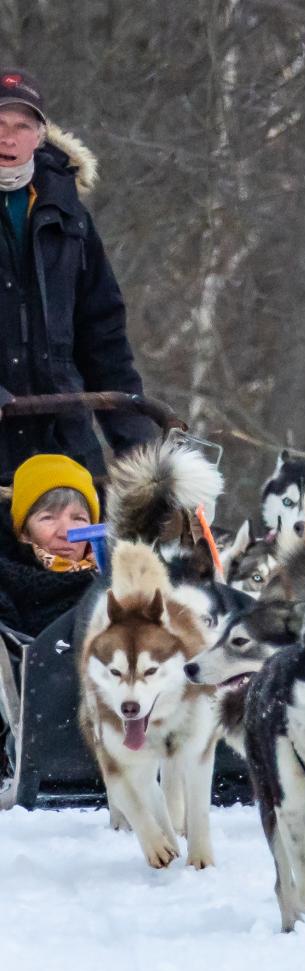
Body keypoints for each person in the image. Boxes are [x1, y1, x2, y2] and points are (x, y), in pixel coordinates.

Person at [0, 67, 156, 482]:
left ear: (40, 135)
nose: (7, 138)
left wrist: (138, 446)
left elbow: (102, 336)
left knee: (82, 547)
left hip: (64, 443)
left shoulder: (70, 215)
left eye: (21, 126)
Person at [0, 453, 100, 639]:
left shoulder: (119, 579)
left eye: (78, 518)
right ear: (24, 532)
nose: (66, 533)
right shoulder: (6, 585)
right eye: (48, 518)